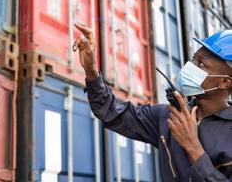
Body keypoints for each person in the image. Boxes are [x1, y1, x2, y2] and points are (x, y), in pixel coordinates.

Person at [73, 23, 232, 182]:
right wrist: (92, 71)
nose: (190, 66)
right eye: (193, 60)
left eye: (201, 64)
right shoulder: (169, 116)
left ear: (224, 82)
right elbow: (111, 112)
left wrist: (194, 149)